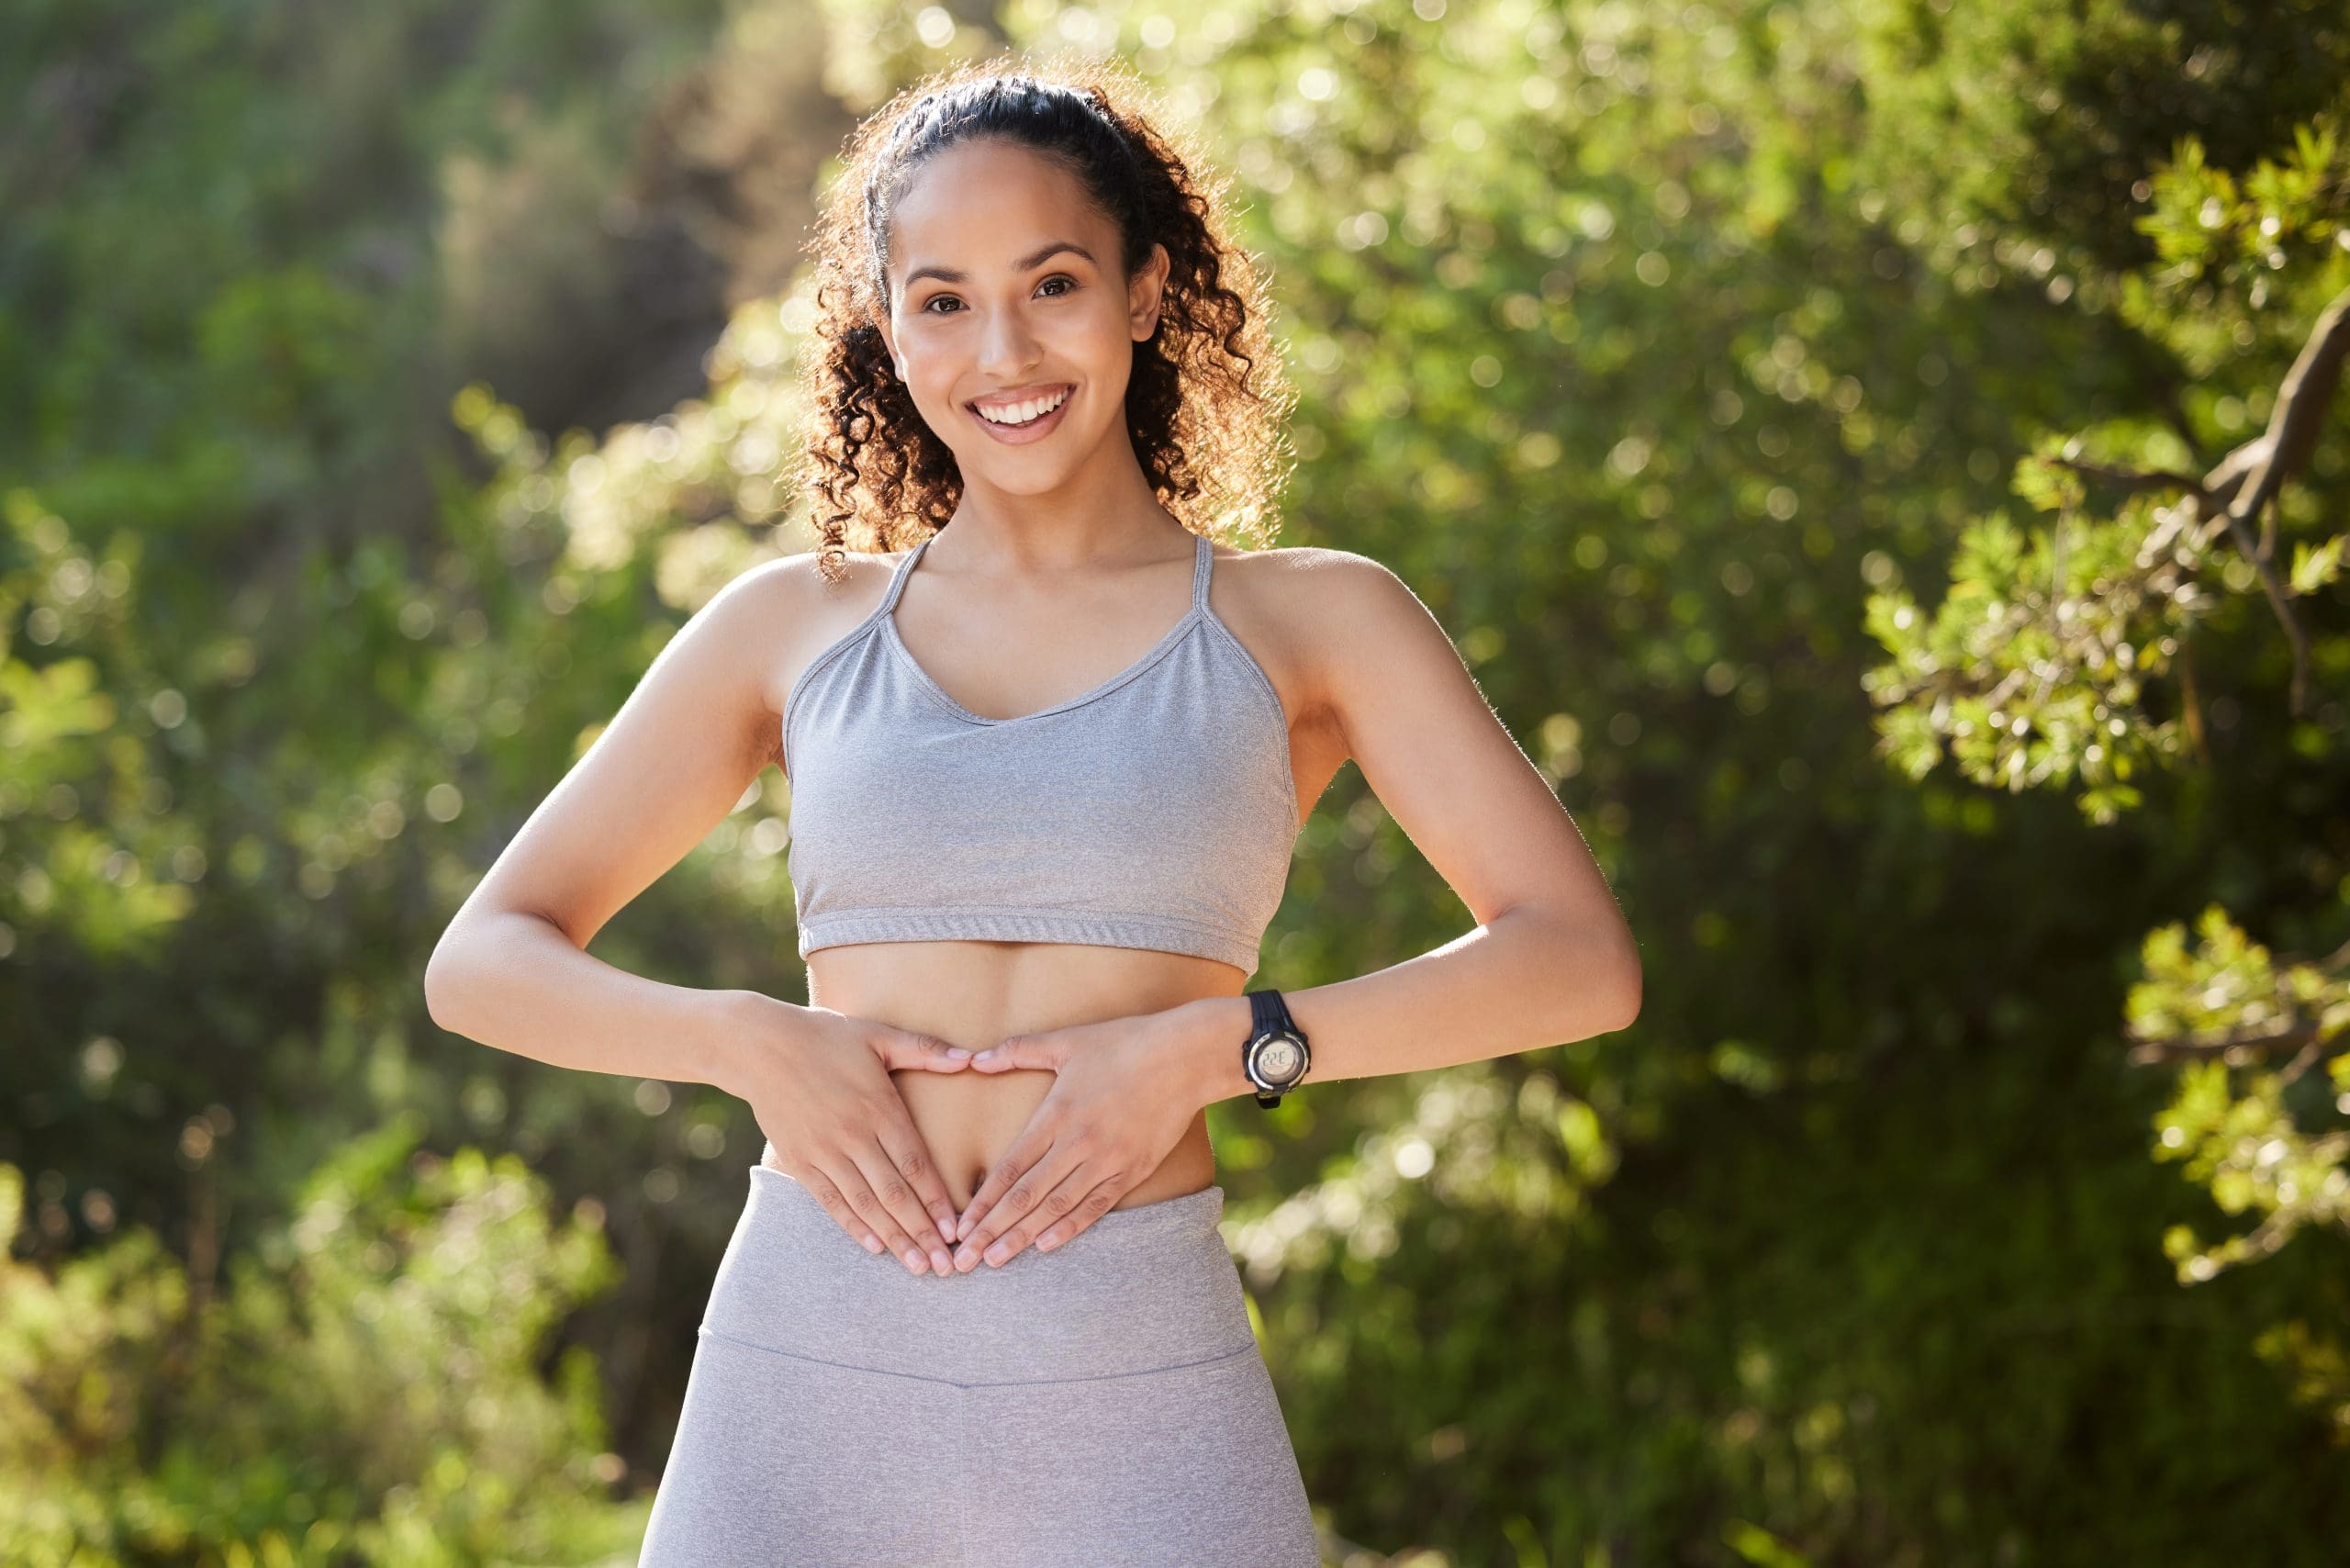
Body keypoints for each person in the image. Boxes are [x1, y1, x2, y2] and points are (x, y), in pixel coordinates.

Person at [425, 52, 1640, 1568]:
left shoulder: (1316, 622)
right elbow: (484, 961)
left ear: (1143, 289)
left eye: (1053, 282)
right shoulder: (790, 626)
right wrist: (748, 1042)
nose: (1002, 349)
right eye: (942, 299)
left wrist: (1223, 1046)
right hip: (805, 1366)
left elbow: (1576, 960)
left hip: (1132, 1371)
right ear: (887, 324)